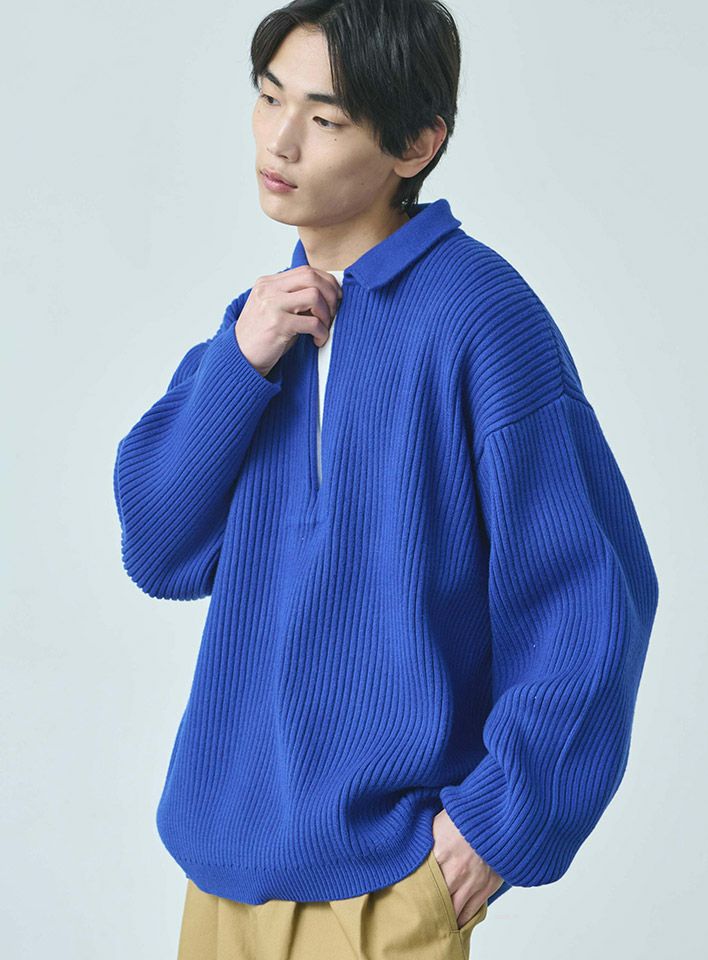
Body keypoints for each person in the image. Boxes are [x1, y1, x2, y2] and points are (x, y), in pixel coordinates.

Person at [112, 2, 660, 957]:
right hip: (220, 869)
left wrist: (498, 825)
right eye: (269, 98)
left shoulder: (482, 317)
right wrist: (239, 358)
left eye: (324, 117)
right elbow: (158, 549)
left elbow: (589, 597)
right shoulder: (259, 327)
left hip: (386, 884)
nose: (280, 139)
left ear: (417, 143)